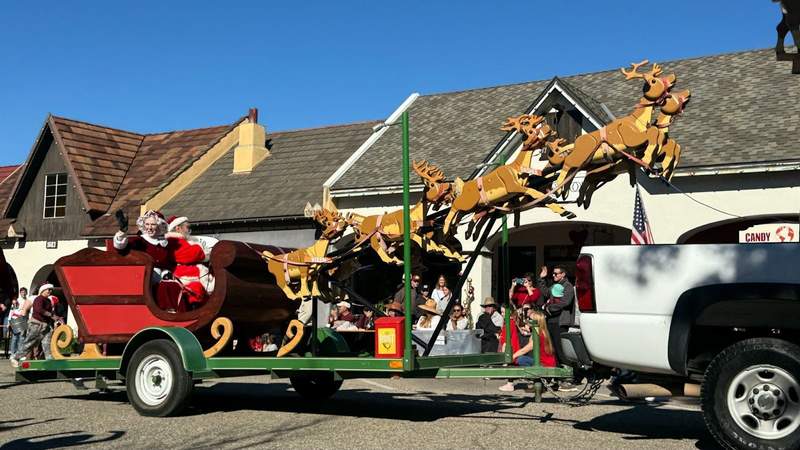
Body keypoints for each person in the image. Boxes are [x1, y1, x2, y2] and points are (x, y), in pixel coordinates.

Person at [498, 309, 556, 391]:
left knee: (520, 359)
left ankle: (535, 381)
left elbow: (525, 349)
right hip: (548, 363)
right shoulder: (543, 332)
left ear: (537, 322)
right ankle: (536, 382)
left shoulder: (538, 335)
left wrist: (513, 356)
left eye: (531, 320)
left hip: (544, 365)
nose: (528, 322)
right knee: (523, 358)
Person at [113, 209, 177, 281]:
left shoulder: (164, 244)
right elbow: (121, 248)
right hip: (144, 279)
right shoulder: (139, 241)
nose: (149, 228)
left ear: (159, 226)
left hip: (162, 279)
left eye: (153, 224)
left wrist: (166, 272)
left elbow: (169, 264)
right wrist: (122, 232)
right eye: (147, 224)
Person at [166, 215, 216, 307]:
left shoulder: (185, 240)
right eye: (187, 227)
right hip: (183, 275)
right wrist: (203, 251)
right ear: (178, 228)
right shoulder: (174, 241)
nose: (189, 230)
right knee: (196, 287)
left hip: (191, 272)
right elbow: (192, 255)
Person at [10, 284, 63, 367]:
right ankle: (15, 357)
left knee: (47, 344)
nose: (50, 291)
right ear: (42, 290)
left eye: (51, 290)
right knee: (29, 343)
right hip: (36, 325)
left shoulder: (48, 300)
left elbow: (50, 313)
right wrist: (51, 315)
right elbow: (39, 310)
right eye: (48, 289)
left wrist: (57, 319)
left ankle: (50, 361)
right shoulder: (39, 299)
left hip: (46, 326)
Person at [8, 288, 30, 357]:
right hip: (16, 318)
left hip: (24, 319)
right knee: (15, 337)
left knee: (22, 337)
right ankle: (12, 353)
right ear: (20, 293)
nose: (23, 293)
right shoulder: (17, 301)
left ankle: (19, 354)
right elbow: (12, 310)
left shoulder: (28, 300)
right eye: (22, 292)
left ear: (26, 293)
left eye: (24, 292)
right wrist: (9, 321)